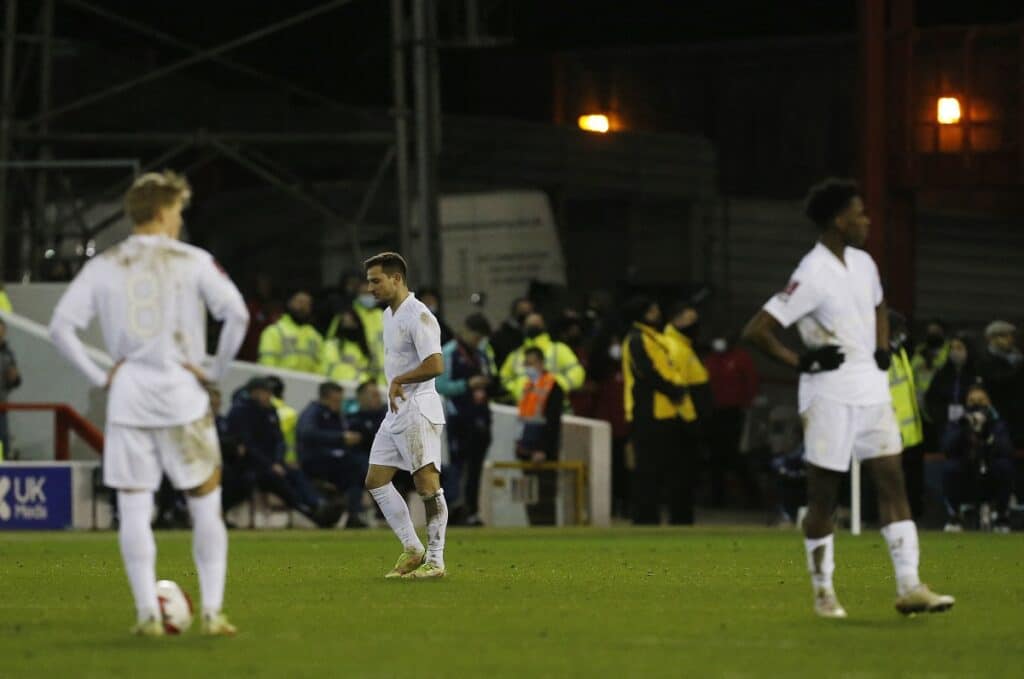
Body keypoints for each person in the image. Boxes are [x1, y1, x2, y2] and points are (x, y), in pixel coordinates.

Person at [742, 177, 953, 619]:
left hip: (871, 389)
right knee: (824, 497)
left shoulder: (863, 263)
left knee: (892, 481)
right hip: (829, 395)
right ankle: (823, 591)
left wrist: (879, 346)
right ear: (839, 221)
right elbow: (757, 330)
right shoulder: (812, 273)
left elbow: (878, 304)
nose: (867, 220)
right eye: (860, 213)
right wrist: (800, 361)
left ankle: (910, 585)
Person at [48, 170, 248, 636]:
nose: (179, 219)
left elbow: (61, 328)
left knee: (135, 509)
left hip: (130, 396)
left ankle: (146, 615)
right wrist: (214, 370)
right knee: (205, 505)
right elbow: (236, 314)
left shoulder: (106, 264)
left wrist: (101, 375)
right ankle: (213, 612)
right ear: (162, 212)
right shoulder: (193, 260)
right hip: (182, 395)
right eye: (177, 211)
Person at [362, 252, 449, 579]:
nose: (370, 287)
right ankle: (413, 549)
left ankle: (436, 562)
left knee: (427, 485)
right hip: (397, 410)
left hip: (418, 408)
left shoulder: (419, 315)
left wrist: (399, 380)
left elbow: (436, 364)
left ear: (396, 279)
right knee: (376, 480)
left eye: (376, 280)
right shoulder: (389, 315)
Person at [227, 377, 342, 529]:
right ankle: (307, 510)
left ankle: (318, 503)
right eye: (265, 392)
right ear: (254, 393)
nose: (269, 396)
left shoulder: (270, 410)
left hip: (273, 463)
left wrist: (278, 461)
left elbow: (279, 440)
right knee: (278, 480)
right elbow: (248, 445)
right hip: (252, 465)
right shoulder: (240, 412)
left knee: (295, 473)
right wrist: (270, 464)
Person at [437, 312, 496, 526]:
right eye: (476, 336)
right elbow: (440, 385)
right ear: (466, 331)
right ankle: (453, 510)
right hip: (458, 418)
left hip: (481, 417)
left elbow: (491, 377)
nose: (478, 341)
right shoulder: (449, 353)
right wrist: (466, 385)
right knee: (457, 467)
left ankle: (471, 511)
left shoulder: (482, 354)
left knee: (476, 468)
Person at [940, 384, 1014, 533]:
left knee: (1005, 467)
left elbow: (1006, 449)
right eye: (972, 400)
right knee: (949, 468)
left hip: (990, 469)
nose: (976, 404)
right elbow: (947, 447)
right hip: (967, 470)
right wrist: (964, 430)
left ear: (989, 402)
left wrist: (988, 435)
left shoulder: (996, 421)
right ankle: (955, 516)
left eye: (981, 400)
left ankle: (1002, 517)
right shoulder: (959, 421)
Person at [297, 382, 370, 529]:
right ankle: (350, 511)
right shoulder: (313, 413)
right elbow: (308, 434)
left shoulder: (337, 416)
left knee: (357, 472)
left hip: (337, 461)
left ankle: (351, 513)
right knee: (358, 466)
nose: (339, 404)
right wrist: (341, 438)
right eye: (336, 400)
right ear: (325, 398)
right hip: (316, 460)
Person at [703, 332, 760, 507]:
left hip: (734, 413)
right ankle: (716, 499)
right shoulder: (710, 360)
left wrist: (747, 404)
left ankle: (753, 498)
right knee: (716, 458)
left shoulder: (740, 358)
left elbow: (751, 382)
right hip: (714, 413)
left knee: (735, 457)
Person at [515, 347, 565, 525]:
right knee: (530, 497)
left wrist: (542, 449)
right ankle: (534, 528)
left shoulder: (552, 387)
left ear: (541, 363)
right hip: (526, 450)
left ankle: (546, 530)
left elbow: (552, 424)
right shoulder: (529, 386)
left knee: (544, 496)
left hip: (542, 452)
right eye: (526, 363)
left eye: (531, 363)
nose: (528, 367)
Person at [886, 311, 926, 519]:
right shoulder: (881, 357)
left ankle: (907, 519)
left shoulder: (900, 353)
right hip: (891, 430)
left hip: (910, 433)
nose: (904, 334)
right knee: (890, 480)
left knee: (907, 480)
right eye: (900, 330)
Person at [499, 312, 585, 403]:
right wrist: (516, 389)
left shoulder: (558, 349)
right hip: (523, 406)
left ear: (543, 326)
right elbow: (504, 377)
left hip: (552, 407)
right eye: (530, 325)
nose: (532, 328)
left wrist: (555, 386)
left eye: (536, 324)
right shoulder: (516, 354)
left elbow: (577, 373)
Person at [976, 320, 1024, 446]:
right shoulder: (985, 359)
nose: (1010, 339)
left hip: (1018, 414)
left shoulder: (1017, 356)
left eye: (1010, 335)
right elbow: (998, 381)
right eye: (1004, 335)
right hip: (998, 413)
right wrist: (1018, 368)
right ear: (992, 339)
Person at [924, 335, 979, 439]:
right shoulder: (942, 374)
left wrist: (966, 413)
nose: (954, 352)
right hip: (947, 428)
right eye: (952, 348)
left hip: (974, 427)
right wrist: (947, 414)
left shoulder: (978, 373)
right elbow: (931, 400)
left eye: (959, 348)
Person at [258, 290, 323, 374]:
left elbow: (320, 367)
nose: (303, 307)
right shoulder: (273, 332)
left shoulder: (316, 336)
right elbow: (267, 362)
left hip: (306, 385)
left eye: (307, 304)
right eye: (299, 302)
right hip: (278, 384)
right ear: (289, 303)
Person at [322, 308, 374, 385]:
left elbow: (364, 373)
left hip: (356, 389)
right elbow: (328, 366)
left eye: (352, 321)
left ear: (357, 324)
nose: (348, 325)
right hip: (332, 387)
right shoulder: (332, 345)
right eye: (344, 322)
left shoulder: (364, 351)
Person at [239, 272, 282, 362]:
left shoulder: (275, 308)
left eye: (267, 285)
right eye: (262, 284)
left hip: (271, 353)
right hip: (249, 357)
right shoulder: (250, 308)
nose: (265, 287)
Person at [0, 318, 22, 459]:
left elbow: (15, 382)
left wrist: (14, 378)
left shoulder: (9, 354)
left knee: (4, 440)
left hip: (1, 406)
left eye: (2, 331)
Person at [491, 297, 534, 369]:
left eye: (530, 312)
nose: (530, 317)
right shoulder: (501, 334)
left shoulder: (530, 335)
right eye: (524, 312)